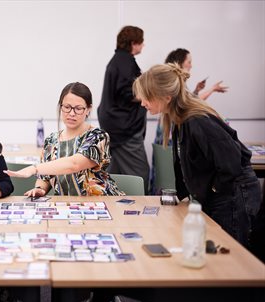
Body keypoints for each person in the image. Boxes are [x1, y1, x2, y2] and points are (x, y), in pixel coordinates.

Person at [133, 63, 261, 248]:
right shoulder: (178, 119)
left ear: (166, 97)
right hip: (222, 194)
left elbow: (231, 162)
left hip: (233, 195)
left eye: (146, 97)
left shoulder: (197, 121)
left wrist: (212, 190)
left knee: (229, 253)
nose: (142, 102)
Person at [4, 82, 123, 199]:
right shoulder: (51, 140)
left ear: (88, 109)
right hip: (66, 206)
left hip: (101, 204)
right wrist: (40, 189)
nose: (71, 113)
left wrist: (34, 168)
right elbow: (45, 177)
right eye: (67, 107)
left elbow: (74, 165)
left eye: (78, 108)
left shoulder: (98, 136)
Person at [150, 48, 229, 194]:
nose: (191, 65)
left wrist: (197, 90)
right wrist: (211, 89)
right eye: (189, 62)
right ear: (180, 62)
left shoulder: (193, 119)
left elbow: (188, 102)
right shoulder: (174, 88)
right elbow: (190, 103)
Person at [97, 25, 150, 194]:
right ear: (134, 43)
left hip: (113, 124)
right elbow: (128, 92)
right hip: (124, 128)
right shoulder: (125, 62)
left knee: (115, 175)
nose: (143, 45)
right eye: (141, 42)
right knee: (140, 176)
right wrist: (149, 92)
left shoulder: (117, 61)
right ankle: (142, 214)